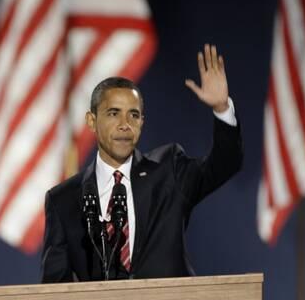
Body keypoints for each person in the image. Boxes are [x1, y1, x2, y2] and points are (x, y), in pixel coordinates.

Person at [41, 44, 243, 282]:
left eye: (133, 115)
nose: (125, 123)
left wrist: (222, 109)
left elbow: (225, 164)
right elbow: (54, 289)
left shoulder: (169, 171)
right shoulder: (63, 199)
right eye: (114, 113)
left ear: (142, 122)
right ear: (92, 121)